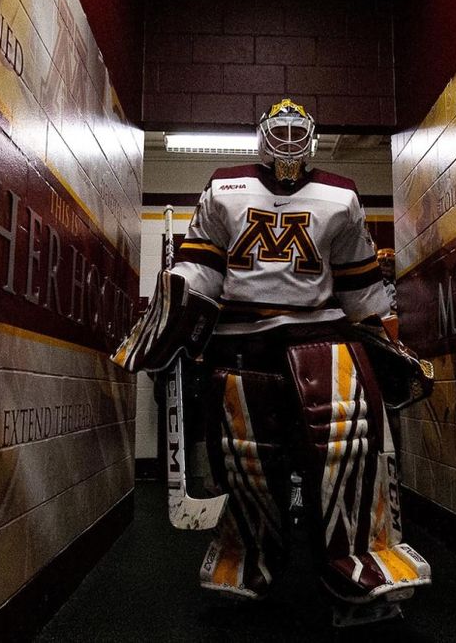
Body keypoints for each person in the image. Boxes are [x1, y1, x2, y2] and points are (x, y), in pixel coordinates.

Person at [116, 99, 431, 625]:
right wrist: (176, 304)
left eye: (296, 130)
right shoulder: (224, 187)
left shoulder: (341, 193)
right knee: (247, 459)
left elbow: (357, 283)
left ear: (311, 136)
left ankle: (355, 555)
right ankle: (248, 556)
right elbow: (201, 269)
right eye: (277, 129)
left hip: (324, 341)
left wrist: (378, 333)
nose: (287, 140)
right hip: (242, 346)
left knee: (346, 451)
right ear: (261, 133)